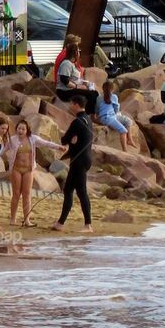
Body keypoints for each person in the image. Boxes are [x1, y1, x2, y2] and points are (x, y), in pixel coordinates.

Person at [6, 118, 62, 228]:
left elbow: (46, 143)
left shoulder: (33, 139)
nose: (20, 131)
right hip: (16, 169)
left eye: (23, 129)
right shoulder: (12, 140)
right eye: (19, 128)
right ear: (16, 129)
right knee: (16, 194)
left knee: (27, 194)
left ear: (27, 130)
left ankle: (27, 220)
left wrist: (58, 147)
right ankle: (13, 219)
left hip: (28, 169)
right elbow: (3, 149)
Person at [54, 95, 94, 233]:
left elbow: (64, 140)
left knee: (81, 192)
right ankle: (60, 223)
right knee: (68, 189)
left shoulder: (78, 121)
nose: (70, 106)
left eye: (71, 103)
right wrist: (74, 141)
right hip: (85, 159)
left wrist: (71, 141)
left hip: (79, 161)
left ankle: (88, 225)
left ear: (76, 105)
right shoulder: (88, 120)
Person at [55, 43, 98, 114]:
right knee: (91, 95)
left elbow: (74, 79)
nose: (79, 53)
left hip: (70, 89)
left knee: (94, 93)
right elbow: (64, 80)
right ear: (75, 53)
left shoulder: (71, 63)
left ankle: (91, 113)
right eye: (78, 51)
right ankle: (88, 115)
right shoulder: (66, 63)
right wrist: (77, 87)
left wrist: (84, 82)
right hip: (64, 91)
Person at [96, 79, 137, 151]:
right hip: (108, 118)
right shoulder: (114, 96)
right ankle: (125, 150)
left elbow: (97, 109)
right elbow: (116, 108)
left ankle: (130, 140)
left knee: (128, 121)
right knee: (123, 131)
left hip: (109, 116)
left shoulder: (99, 98)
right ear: (112, 89)